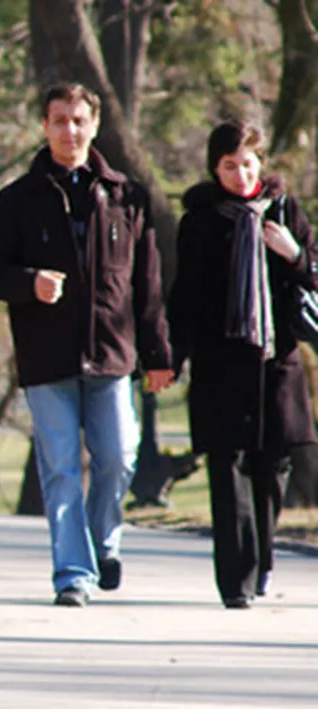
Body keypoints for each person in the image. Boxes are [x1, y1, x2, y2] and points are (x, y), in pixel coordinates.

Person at [0, 83, 173, 607]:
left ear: (95, 125)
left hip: (111, 354)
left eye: (79, 120)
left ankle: (103, 542)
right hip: (47, 359)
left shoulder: (127, 195)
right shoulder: (16, 199)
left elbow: (147, 284)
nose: (70, 130)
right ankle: (73, 576)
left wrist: (158, 354)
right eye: (59, 120)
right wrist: (28, 283)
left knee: (118, 458)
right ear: (44, 125)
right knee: (59, 469)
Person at [167, 120, 317, 609]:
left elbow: (312, 270)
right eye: (229, 166)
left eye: (247, 163)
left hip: (277, 363)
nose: (239, 174)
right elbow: (185, 296)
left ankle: (263, 559)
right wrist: (171, 355)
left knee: (273, 466)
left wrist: (292, 253)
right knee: (226, 470)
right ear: (215, 168)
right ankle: (236, 581)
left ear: (260, 164)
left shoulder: (284, 211)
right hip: (221, 363)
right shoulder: (201, 220)